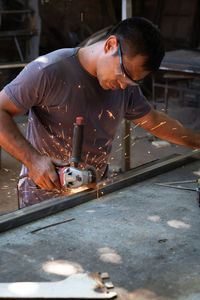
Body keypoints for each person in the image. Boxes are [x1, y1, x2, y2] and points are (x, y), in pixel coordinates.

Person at [0, 17, 199, 208]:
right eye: (125, 74)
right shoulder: (48, 71)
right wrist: (33, 160)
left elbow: (154, 121)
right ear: (110, 45)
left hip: (94, 193)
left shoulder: (125, 86)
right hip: (42, 198)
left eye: (133, 81)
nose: (124, 85)